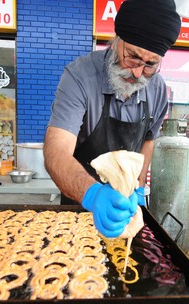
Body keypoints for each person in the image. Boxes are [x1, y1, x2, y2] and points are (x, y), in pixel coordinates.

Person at [43, 0, 181, 238]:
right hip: (79, 204)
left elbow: (148, 139)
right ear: (116, 40)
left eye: (150, 65)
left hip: (125, 208)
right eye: (132, 58)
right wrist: (93, 195)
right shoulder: (79, 77)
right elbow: (55, 152)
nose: (138, 73)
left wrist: (138, 187)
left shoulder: (157, 89)